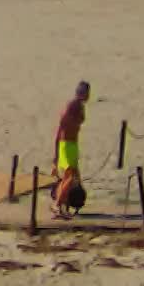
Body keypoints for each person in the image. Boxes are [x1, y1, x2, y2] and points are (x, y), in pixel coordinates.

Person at [54, 81, 89, 216]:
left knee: (71, 177)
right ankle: (57, 205)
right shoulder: (72, 105)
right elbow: (61, 126)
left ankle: (62, 204)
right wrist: (56, 152)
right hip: (67, 144)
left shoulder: (79, 106)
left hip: (72, 144)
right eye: (86, 92)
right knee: (69, 177)